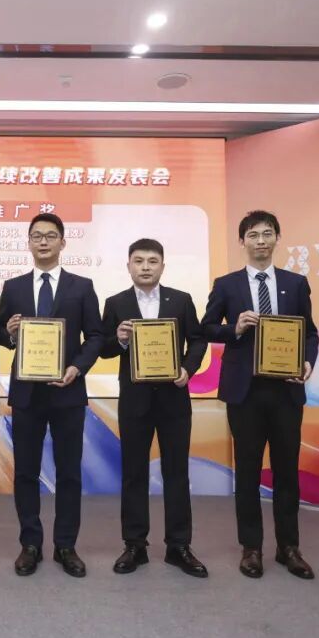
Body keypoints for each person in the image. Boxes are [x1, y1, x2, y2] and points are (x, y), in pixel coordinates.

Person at [201, 210, 319, 580]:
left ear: (277, 238)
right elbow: (206, 328)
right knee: (248, 471)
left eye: (268, 234)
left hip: (286, 391)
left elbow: (310, 332)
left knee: (286, 472)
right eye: (253, 235)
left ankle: (289, 548)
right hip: (245, 392)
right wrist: (234, 328)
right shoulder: (227, 285)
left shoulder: (296, 283)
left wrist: (307, 361)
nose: (261, 241)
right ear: (242, 241)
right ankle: (251, 548)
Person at [0, 213, 103, 578]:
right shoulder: (13, 287)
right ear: (29, 242)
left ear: (62, 242)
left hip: (67, 391)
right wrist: (10, 333)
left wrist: (78, 367)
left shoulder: (82, 286)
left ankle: (65, 545)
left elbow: (96, 336)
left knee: (69, 472)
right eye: (37, 236)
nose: (43, 241)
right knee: (26, 472)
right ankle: (30, 544)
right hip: (27, 393)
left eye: (51, 236)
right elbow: (1, 333)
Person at [99, 239, 208, 577]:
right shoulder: (116, 303)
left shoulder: (181, 299)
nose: (145, 267)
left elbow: (198, 339)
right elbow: (103, 348)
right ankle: (135, 545)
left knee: (177, 472)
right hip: (135, 400)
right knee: (134, 472)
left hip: (174, 398)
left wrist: (187, 369)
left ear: (162, 266)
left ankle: (179, 546)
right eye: (138, 261)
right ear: (128, 266)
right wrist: (119, 339)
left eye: (152, 261)